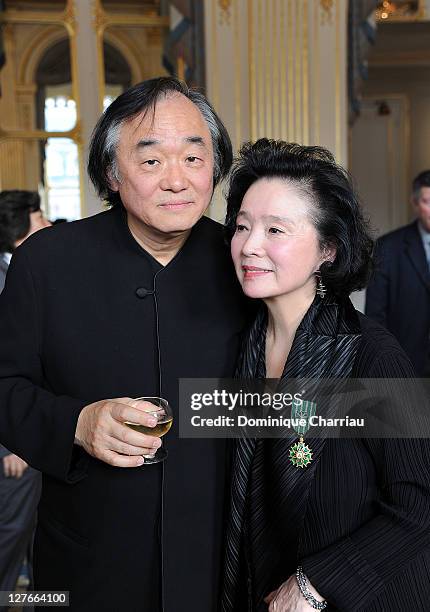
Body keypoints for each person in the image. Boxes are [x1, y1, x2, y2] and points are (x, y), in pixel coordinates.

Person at [0, 78, 247, 611]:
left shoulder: (247, 261)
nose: (177, 180)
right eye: (152, 161)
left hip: (223, 561)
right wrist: (76, 424)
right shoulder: (46, 262)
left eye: (194, 157)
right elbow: (4, 386)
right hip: (89, 563)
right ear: (112, 173)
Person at [221, 139, 430, 611]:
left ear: (328, 250)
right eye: (241, 227)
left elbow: (421, 501)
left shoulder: (372, 356)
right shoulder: (238, 350)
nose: (250, 246)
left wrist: (314, 584)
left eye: (276, 229)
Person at [0, 190, 49, 602]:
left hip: (35, 438)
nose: (47, 225)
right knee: (10, 534)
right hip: (13, 449)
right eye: (39, 217)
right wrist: (12, 444)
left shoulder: (26, 271)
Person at [365, 170, 430, 376]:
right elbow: (375, 317)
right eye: (427, 201)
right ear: (415, 203)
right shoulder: (388, 247)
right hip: (406, 366)